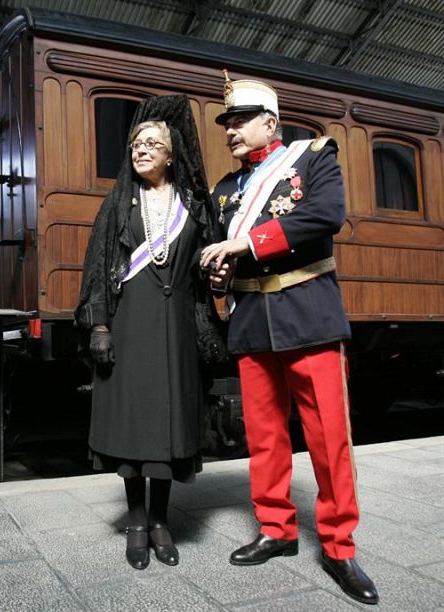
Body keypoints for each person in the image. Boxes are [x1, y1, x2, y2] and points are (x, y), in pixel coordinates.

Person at [200, 73, 379, 605]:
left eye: (239, 121)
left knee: (328, 438)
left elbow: (325, 216)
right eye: (226, 123)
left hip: (309, 315)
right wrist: (218, 275)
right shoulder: (224, 191)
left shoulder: (314, 157)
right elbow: (221, 256)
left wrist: (243, 245)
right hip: (252, 321)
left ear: (270, 123)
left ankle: (339, 546)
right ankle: (276, 529)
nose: (230, 131)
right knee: (264, 438)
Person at [75, 95, 218, 570]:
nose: (141, 150)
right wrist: (99, 325)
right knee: (133, 426)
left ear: (172, 154)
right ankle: (137, 523)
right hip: (129, 326)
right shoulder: (118, 202)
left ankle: (161, 522)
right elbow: (98, 268)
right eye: (136, 144)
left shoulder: (193, 205)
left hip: (176, 331)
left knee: (168, 428)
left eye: (152, 144)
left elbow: (207, 266)